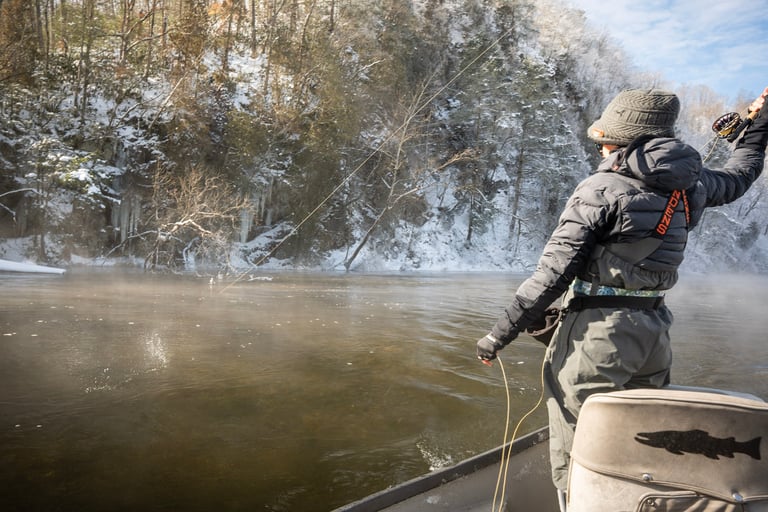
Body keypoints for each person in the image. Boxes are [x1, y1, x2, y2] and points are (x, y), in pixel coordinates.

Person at [475, 86, 768, 509]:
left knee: (578, 449)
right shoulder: (694, 185)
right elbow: (741, 175)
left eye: (605, 140)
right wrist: (758, 127)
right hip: (654, 334)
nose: (600, 148)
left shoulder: (602, 188)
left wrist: (497, 336)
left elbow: (552, 275)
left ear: (626, 139)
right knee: (639, 446)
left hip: (597, 339)